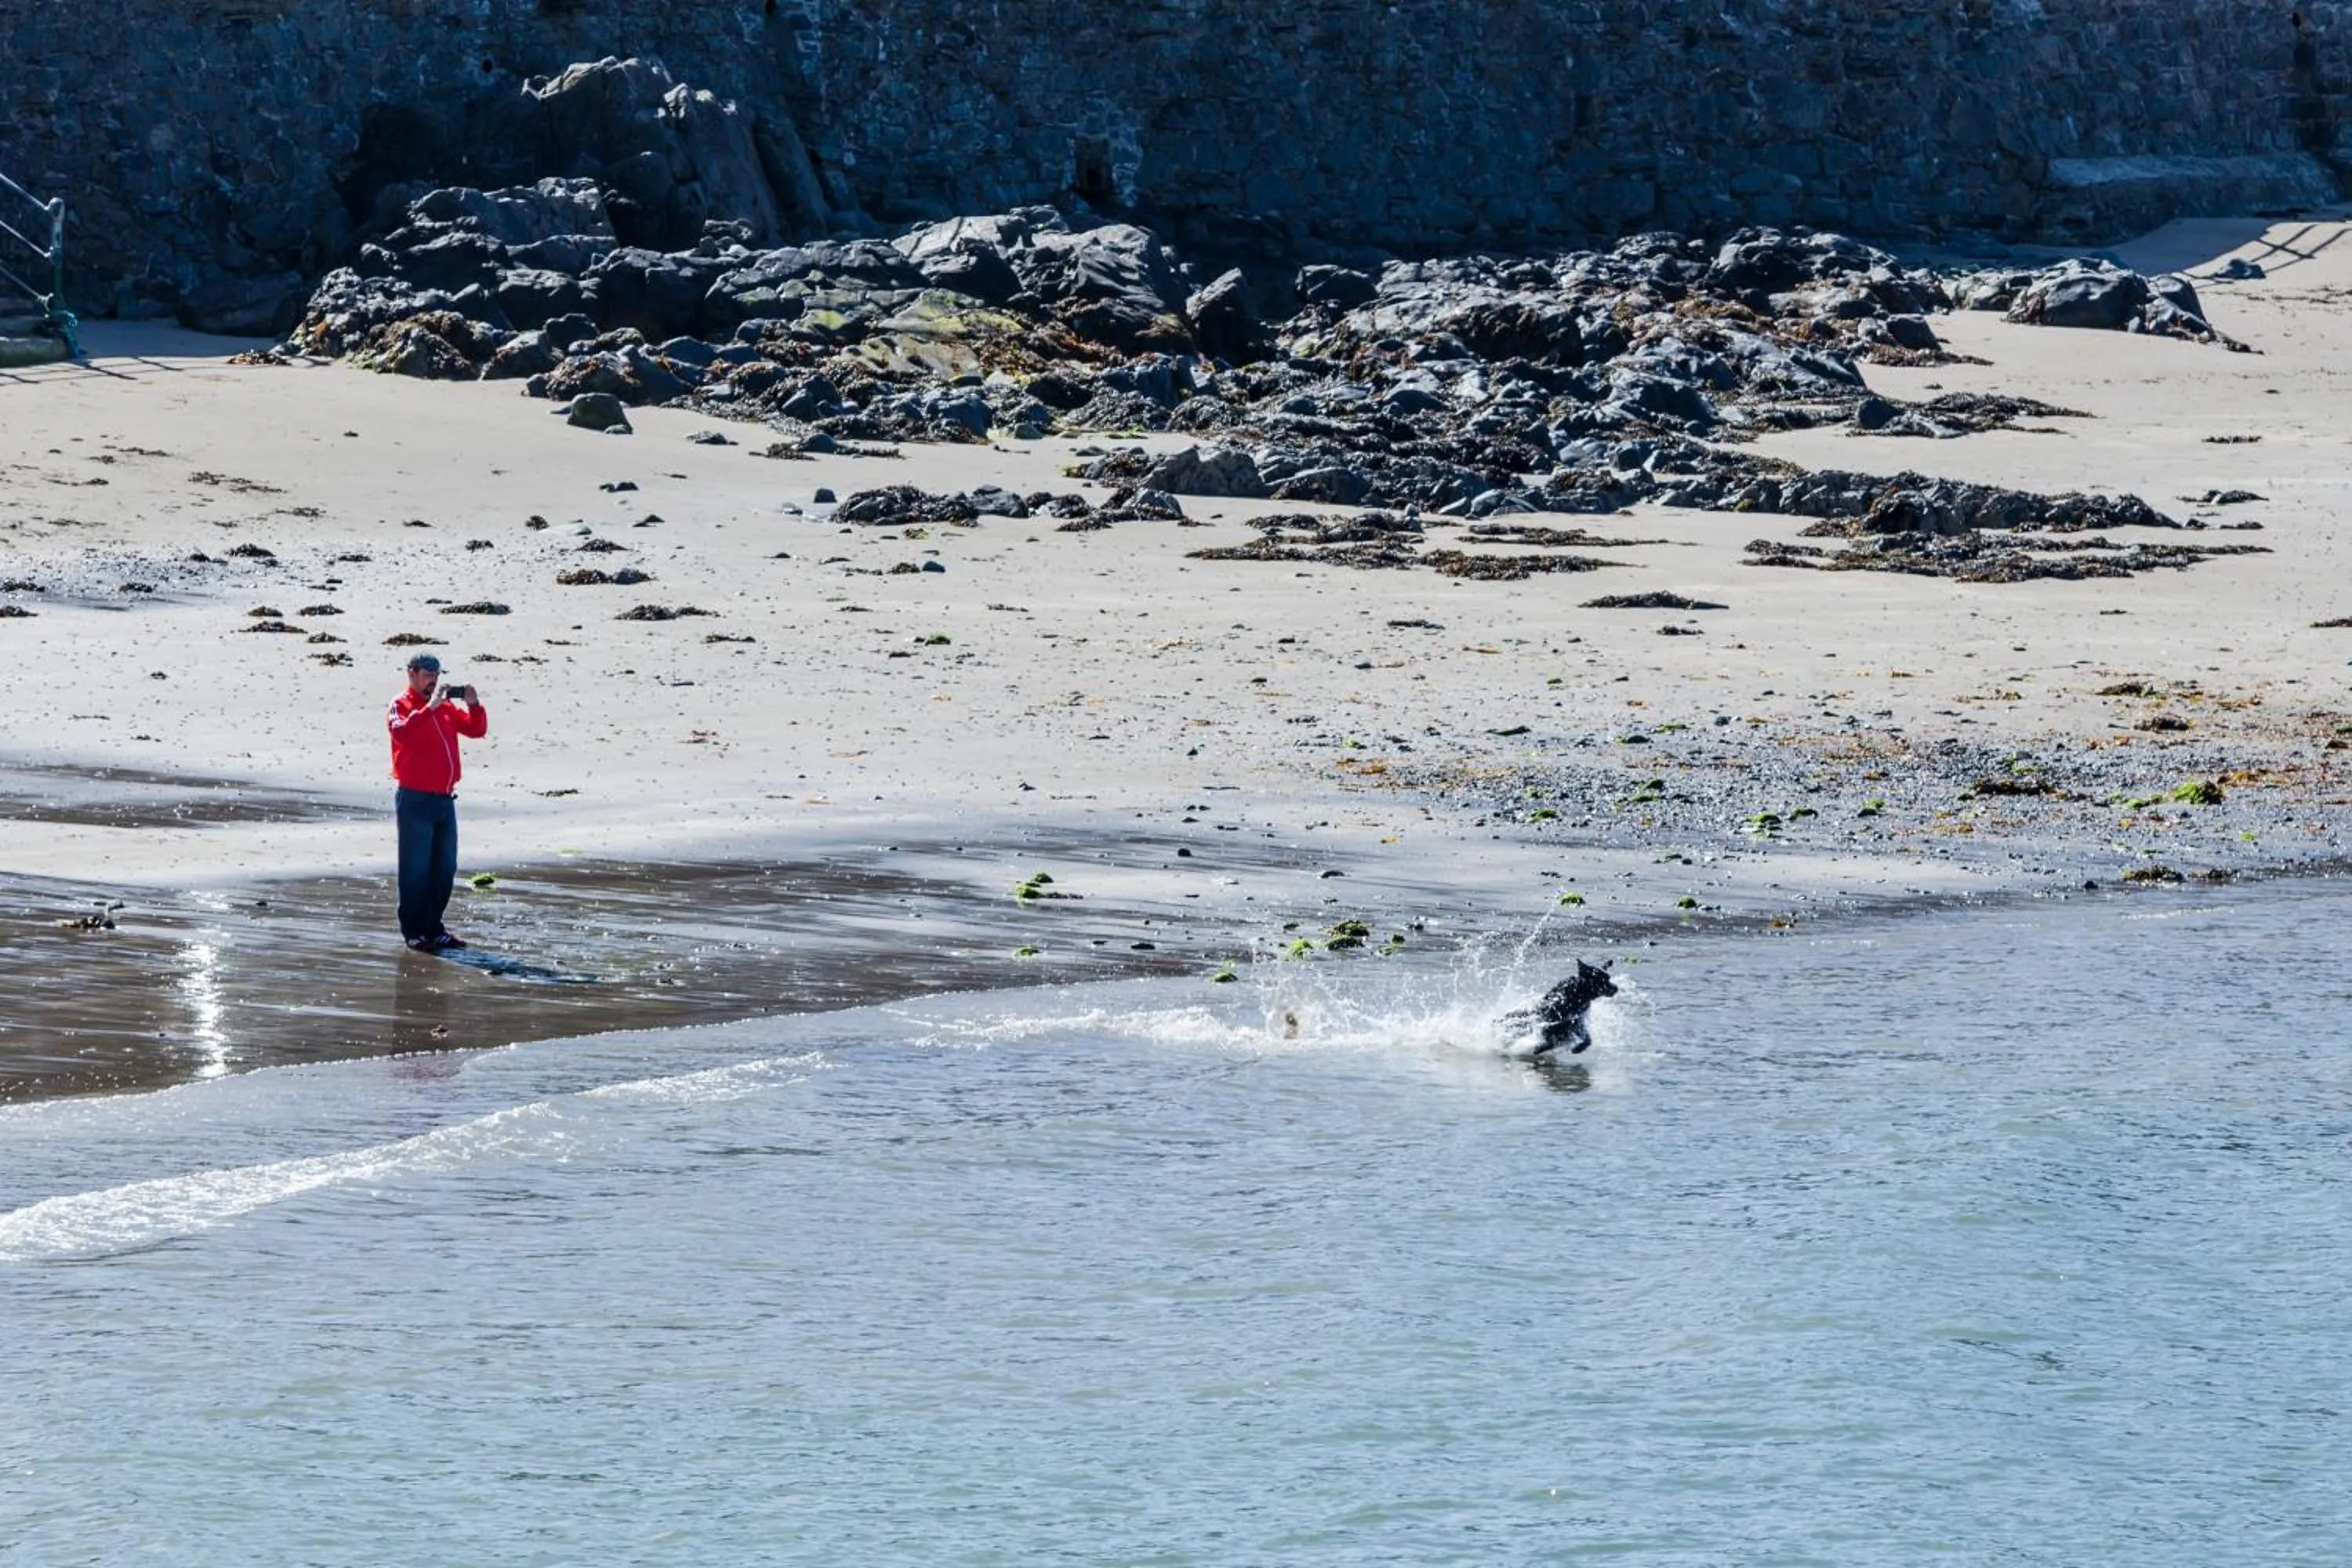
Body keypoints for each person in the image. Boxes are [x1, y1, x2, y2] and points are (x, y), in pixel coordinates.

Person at [386, 653, 488, 952]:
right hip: (415, 799)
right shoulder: (401, 704)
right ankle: (414, 931)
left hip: (444, 800)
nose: (434, 679)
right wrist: (429, 709)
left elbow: (475, 729)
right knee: (415, 870)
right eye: (428, 673)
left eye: (437, 673)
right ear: (412, 673)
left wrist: (473, 704)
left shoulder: (444, 707)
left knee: (444, 868)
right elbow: (401, 732)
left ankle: (434, 926)